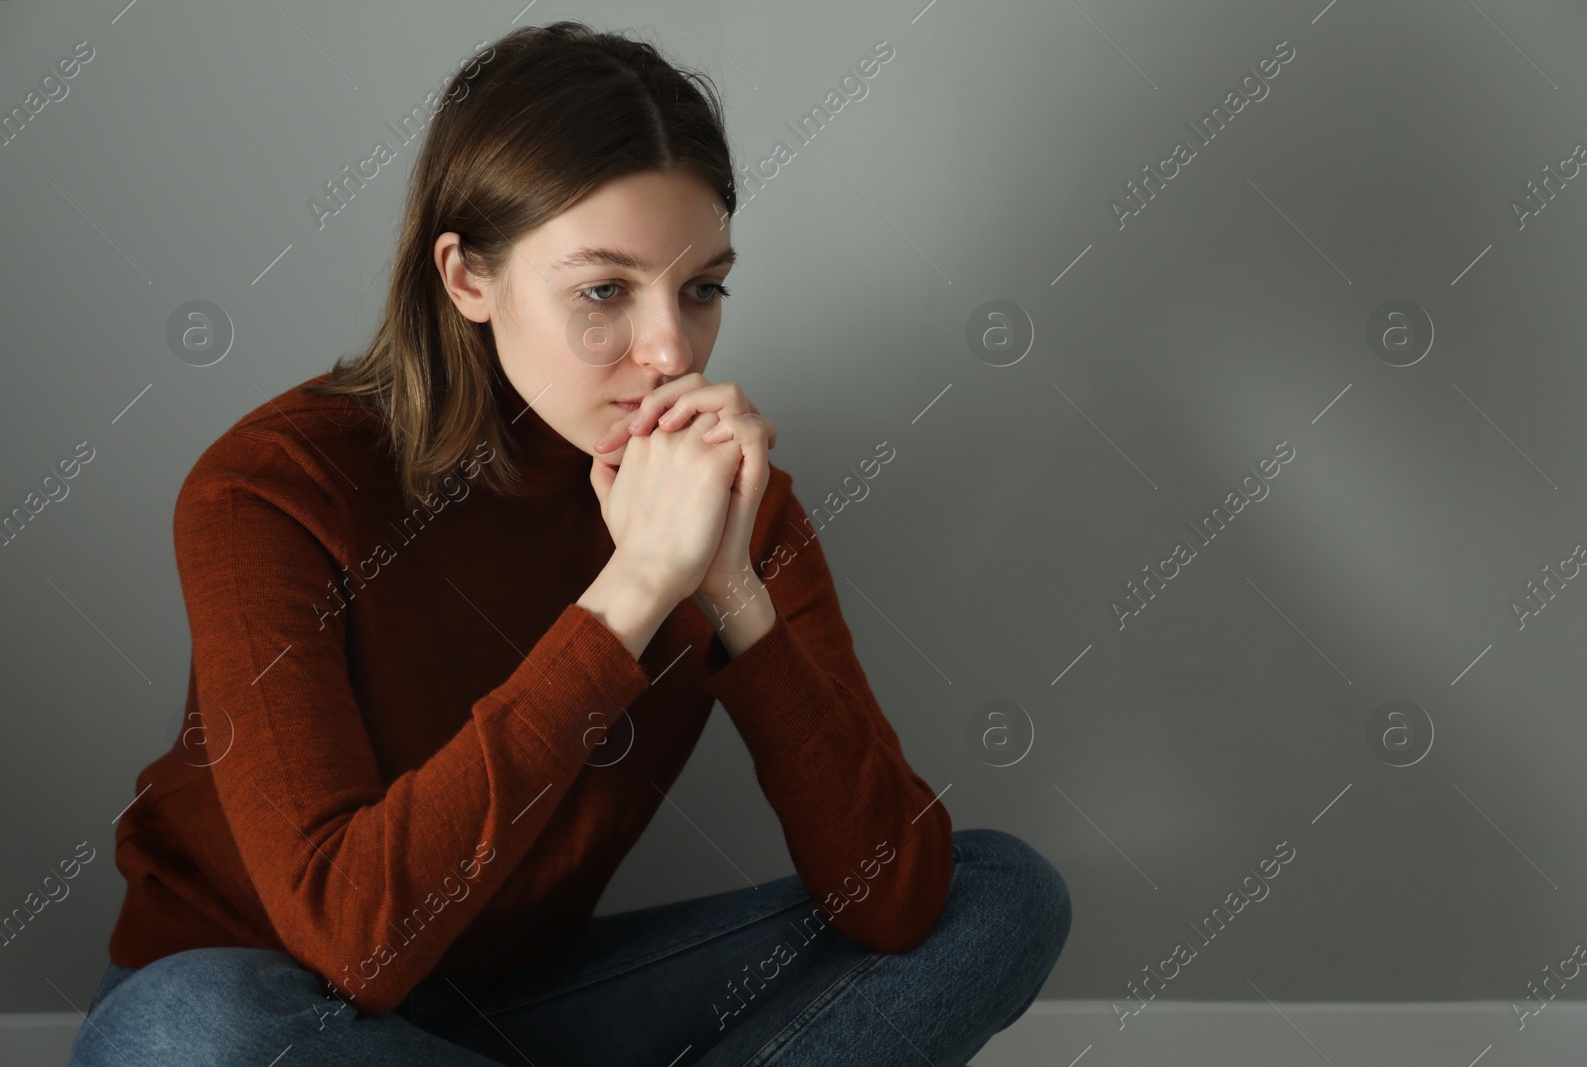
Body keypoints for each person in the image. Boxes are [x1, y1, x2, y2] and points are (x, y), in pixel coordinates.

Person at [68, 21, 1070, 1066]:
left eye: (702, 287)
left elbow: (894, 902)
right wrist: (636, 585)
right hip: (279, 1002)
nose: (672, 351)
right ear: (465, 277)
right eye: (604, 290)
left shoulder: (724, 502)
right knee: (185, 1037)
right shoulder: (273, 488)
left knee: (994, 889)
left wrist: (728, 585)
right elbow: (359, 941)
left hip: (524, 1007)